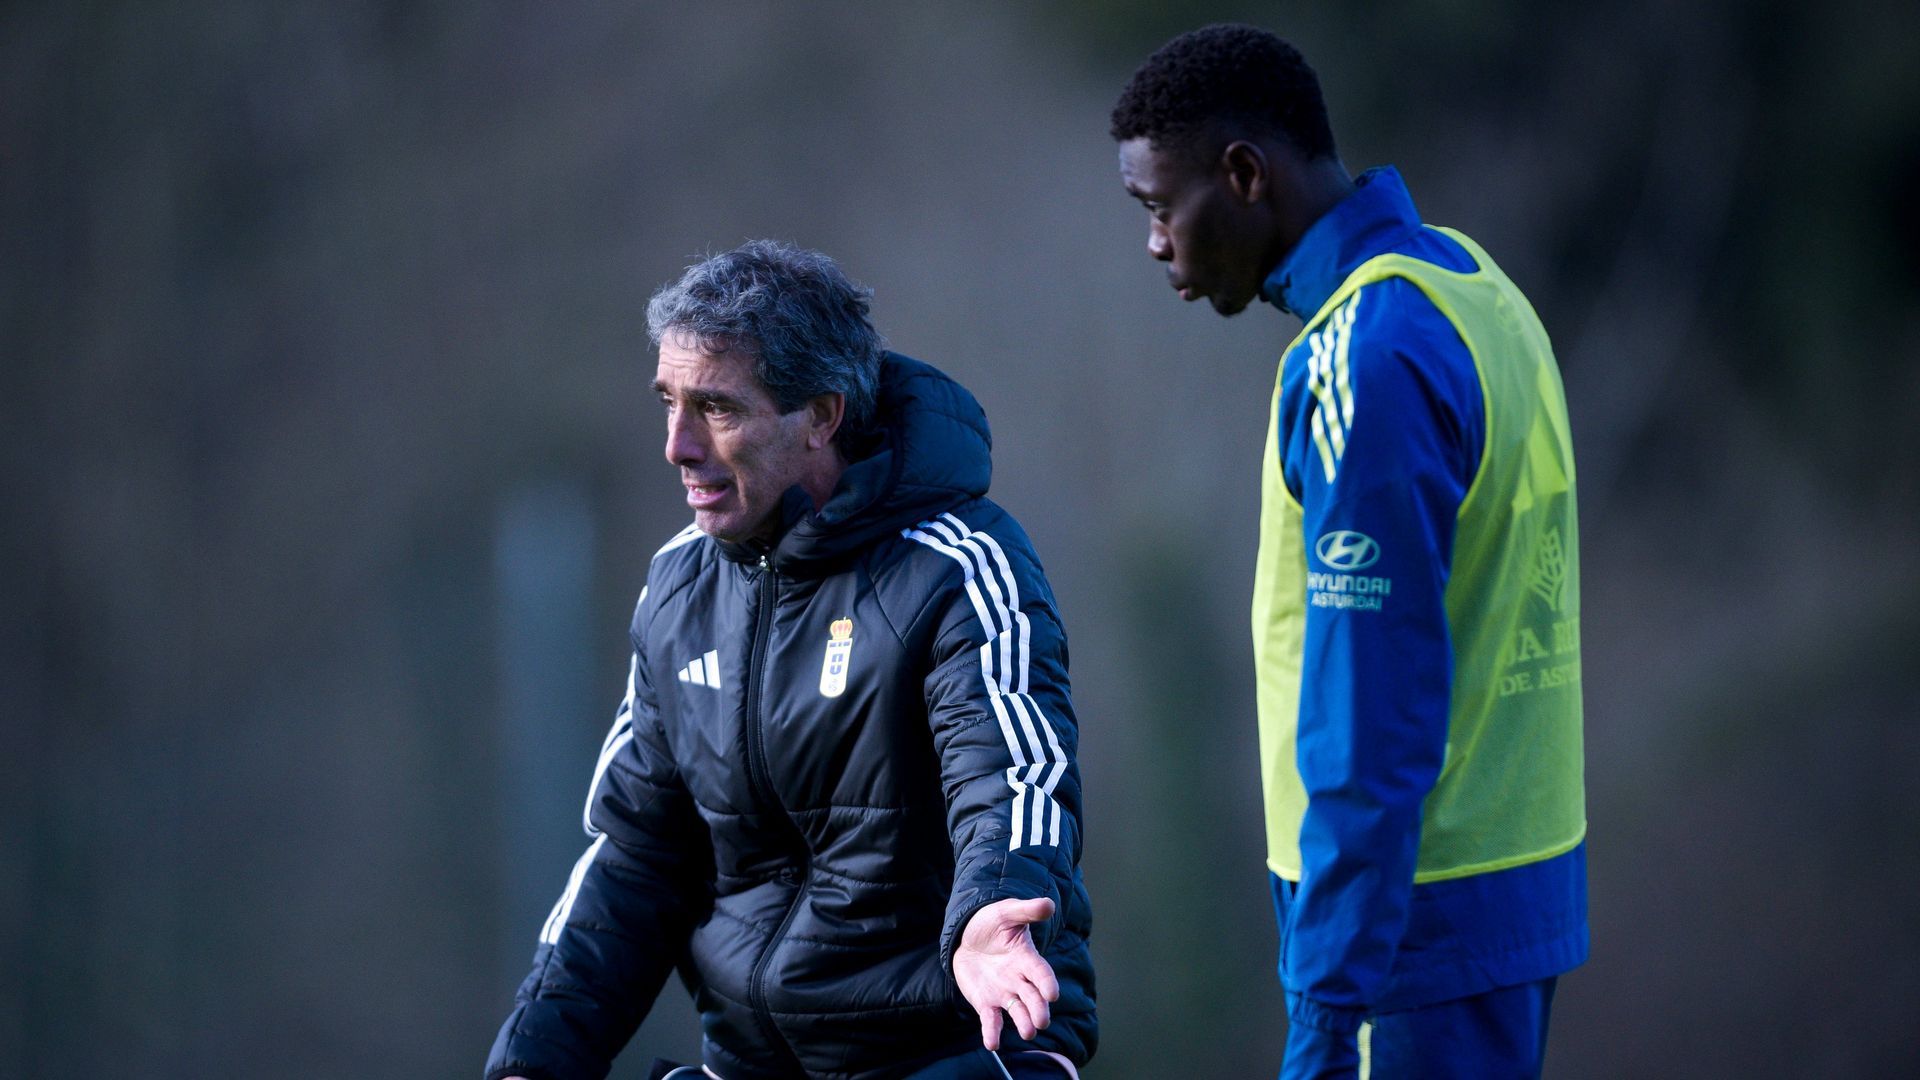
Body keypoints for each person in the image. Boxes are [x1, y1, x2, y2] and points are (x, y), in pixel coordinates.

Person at [485, 241, 1095, 1080]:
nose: (677, 446)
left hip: (951, 1052)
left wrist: (993, 912)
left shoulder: (959, 566)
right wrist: (533, 1061)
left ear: (821, 415)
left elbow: (1014, 780)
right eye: (668, 403)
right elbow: (633, 861)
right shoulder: (676, 588)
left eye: (718, 410)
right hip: (749, 1065)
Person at [1110, 25, 1588, 1079]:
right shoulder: (1474, 286)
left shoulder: (1364, 358)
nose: (1155, 245)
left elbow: (1370, 714)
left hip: (1401, 940)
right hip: (1507, 904)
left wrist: (1327, 1009)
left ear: (1243, 175)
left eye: (1158, 208)